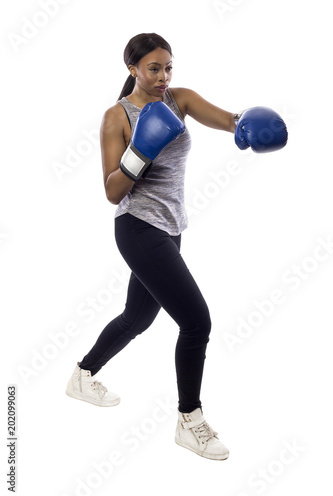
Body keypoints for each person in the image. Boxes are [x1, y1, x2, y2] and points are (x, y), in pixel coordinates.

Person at [66, 33, 287, 461]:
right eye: (154, 68)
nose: (164, 76)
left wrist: (246, 122)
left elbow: (227, 120)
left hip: (170, 228)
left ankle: (83, 374)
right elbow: (113, 191)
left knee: (137, 317)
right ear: (132, 69)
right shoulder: (117, 116)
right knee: (196, 322)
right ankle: (190, 420)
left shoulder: (179, 99)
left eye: (169, 67)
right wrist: (140, 150)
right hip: (137, 228)